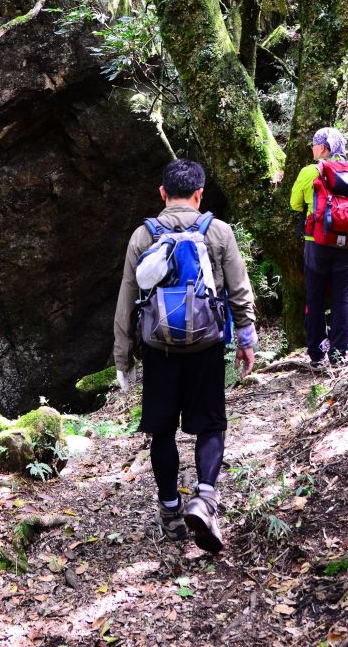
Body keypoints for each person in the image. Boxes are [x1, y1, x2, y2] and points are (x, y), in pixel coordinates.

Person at [113, 158, 258, 552]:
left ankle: (170, 511)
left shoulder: (144, 236)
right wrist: (246, 338)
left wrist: (122, 359)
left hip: (159, 351)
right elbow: (239, 289)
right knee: (211, 424)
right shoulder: (218, 232)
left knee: (162, 431)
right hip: (207, 348)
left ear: (163, 193)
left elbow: (127, 298)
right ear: (199, 194)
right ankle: (205, 497)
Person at [290, 126, 348, 369]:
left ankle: (317, 356)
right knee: (342, 298)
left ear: (323, 148)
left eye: (314, 144)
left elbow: (295, 203)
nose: (312, 148)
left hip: (316, 244)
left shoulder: (311, 171)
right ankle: (339, 354)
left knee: (315, 298)